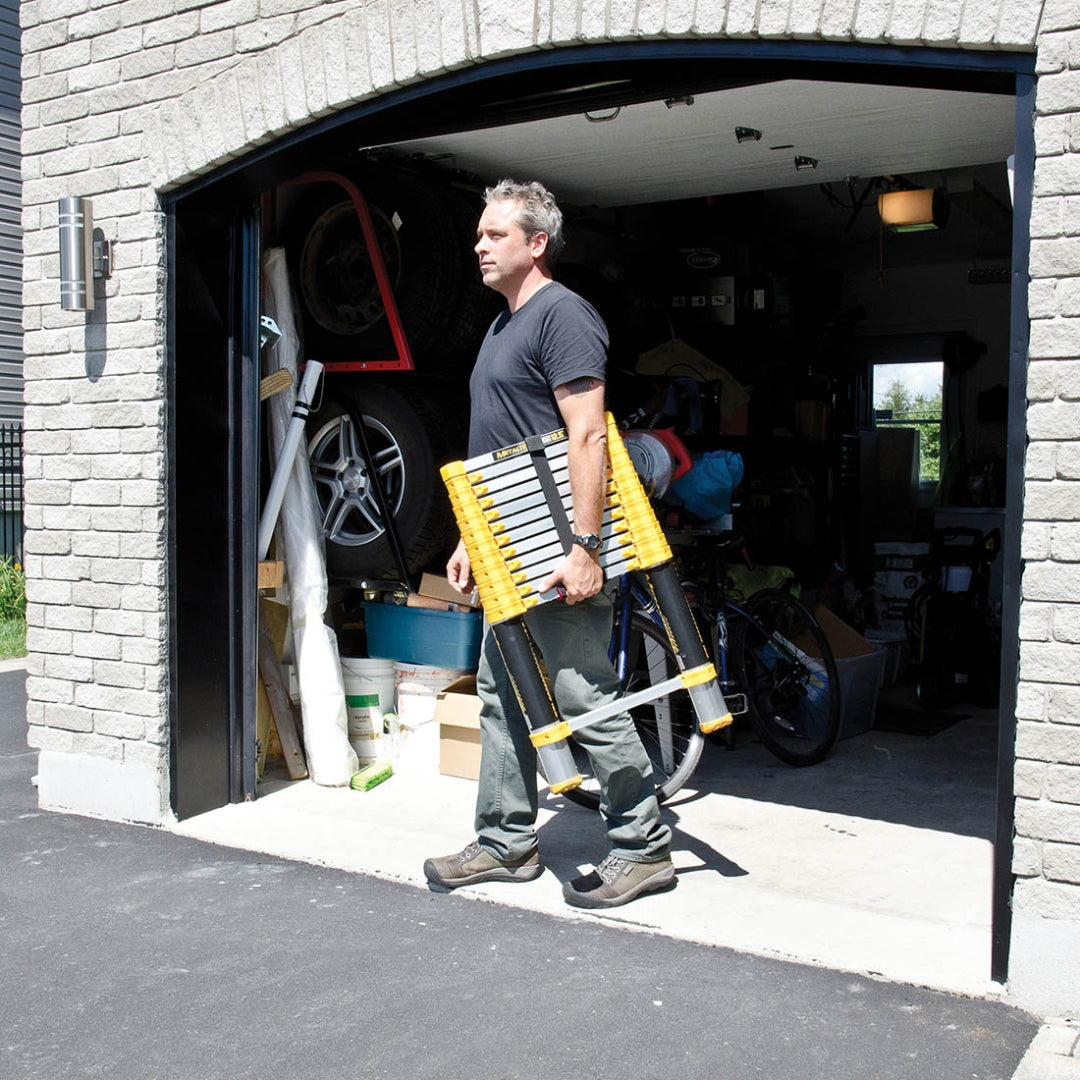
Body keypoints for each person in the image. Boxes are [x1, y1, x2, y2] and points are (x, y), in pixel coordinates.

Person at [423, 179, 674, 909]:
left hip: (555, 546)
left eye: (494, 234)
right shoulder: (503, 325)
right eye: (478, 233)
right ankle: (507, 841)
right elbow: (495, 447)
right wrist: (473, 538)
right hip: (505, 546)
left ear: (537, 243)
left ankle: (644, 845)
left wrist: (586, 545)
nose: (478, 245)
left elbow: (588, 435)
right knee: (503, 696)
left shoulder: (562, 316)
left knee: (581, 694)